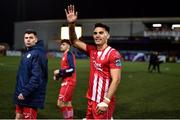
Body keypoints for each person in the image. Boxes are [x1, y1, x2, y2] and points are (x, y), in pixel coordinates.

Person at [65, 5, 122, 119]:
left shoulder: (113, 54)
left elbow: (116, 79)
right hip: (91, 99)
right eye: (95, 33)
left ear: (108, 35)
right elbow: (74, 41)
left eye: (101, 33)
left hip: (102, 101)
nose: (97, 35)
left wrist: (106, 101)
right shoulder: (92, 50)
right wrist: (71, 24)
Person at [13, 29, 48, 119]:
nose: (28, 40)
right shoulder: (28, 53)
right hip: (21, 95)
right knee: (18, 117)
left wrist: (25, 92)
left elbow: (37, 77)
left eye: (31, 38)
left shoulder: (38, 54)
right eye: (26, 38)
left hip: (30, 96)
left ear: (36, 40)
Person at [53, 39, 76, 119]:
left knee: (60, 103)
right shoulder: (65, 55)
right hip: (66, 81)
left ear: (68, 46)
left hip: (68, 82)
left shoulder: (69, 54)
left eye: (63, 44)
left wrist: (59, 71)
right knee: (68, 103)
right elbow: (66, 70)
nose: (61, 46)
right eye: (61, 44)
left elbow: (72, 69)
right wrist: (58, 75)